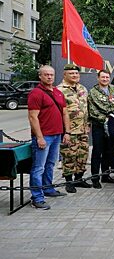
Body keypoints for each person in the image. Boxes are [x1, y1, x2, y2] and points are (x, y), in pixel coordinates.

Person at [28, 65, 71, 209]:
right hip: (44, 136)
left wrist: (67, 132)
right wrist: (39, 137)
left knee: (50, 164)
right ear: (40, 76)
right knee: (38, 167)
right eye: (46, 74)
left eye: (51, 74)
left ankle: (48, 188)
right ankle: (37, 197)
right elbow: (33, 117)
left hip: (57, 135)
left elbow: (65, 113)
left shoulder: (58, 92)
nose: (49, 77)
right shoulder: (36, 93)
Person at [57, 64, 91, 193]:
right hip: (69, 130)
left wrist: (87, 124)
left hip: (83, 129)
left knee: (82, 154)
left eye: (76, 74)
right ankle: (69, 181)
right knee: (69, 155)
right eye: (71, 74)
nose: (75, 76)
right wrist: (65, 130)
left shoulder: (82, 88)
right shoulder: (59, 90)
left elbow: (85, 108)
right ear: (65, 75)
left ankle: (79, 178)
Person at [88, 69, 114, 188]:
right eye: (103, 77)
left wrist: (113, 117)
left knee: (108, 151)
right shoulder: (93, 92)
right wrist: (108, 117)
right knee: (97, 152)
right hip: (99, 125)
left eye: (107, 77)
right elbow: (93, 110)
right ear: (98, 78)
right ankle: (95, 178)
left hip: (112, 125)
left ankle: (105, 176)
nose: (105, 79)